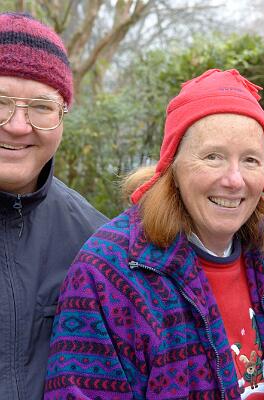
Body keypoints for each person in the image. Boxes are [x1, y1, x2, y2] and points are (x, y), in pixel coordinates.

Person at [44, 69, 264, 400]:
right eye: (213, 157)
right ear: (172, 164)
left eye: (250, 160)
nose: (234, 180)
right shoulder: (106, 272)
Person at [0, 12, 108, 400]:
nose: (17, 125)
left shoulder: (96, 244)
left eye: (41, 106)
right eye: (0, 101)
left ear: (62, 117)